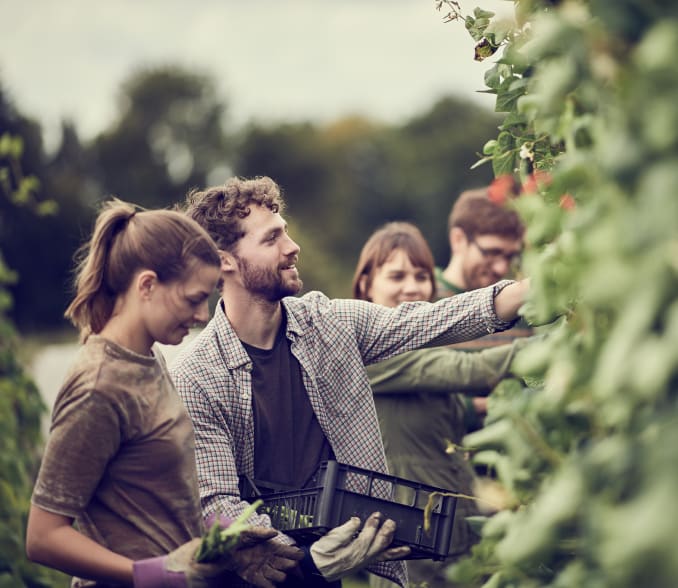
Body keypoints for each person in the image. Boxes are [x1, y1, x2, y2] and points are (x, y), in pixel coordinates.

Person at [169, 176, 529, 588]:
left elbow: (428, 320)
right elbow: (218, 505)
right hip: (263, 575)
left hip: (329, 566)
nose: (292, 247)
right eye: (272, 240)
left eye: (286, 232)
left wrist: (526, 293)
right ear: (225, 261)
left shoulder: (328, 323)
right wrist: (307, 560)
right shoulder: (197, 376)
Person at [26, 199, 305, 588]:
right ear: (147, 285)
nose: (203, 316)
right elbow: (43, 537)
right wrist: (148, 574)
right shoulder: (98, 386)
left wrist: (223, 538)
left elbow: (155, 498)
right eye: (193, 299)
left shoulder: (150, 357)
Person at [352, 221, 531, 588]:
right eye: (397, 275)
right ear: (367, 285)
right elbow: (472, 369)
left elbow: (440, 415)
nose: (412, 287)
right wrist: (552, 345)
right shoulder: (367, 349)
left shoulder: (420, 345)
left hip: (453, 530)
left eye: (420, 275)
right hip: (413, 538)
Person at [435, 187, 532, 349]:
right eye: (491, 252)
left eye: (510, 256)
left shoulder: (519, 307)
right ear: (458, 240)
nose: (501, 268)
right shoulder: (421, 300)